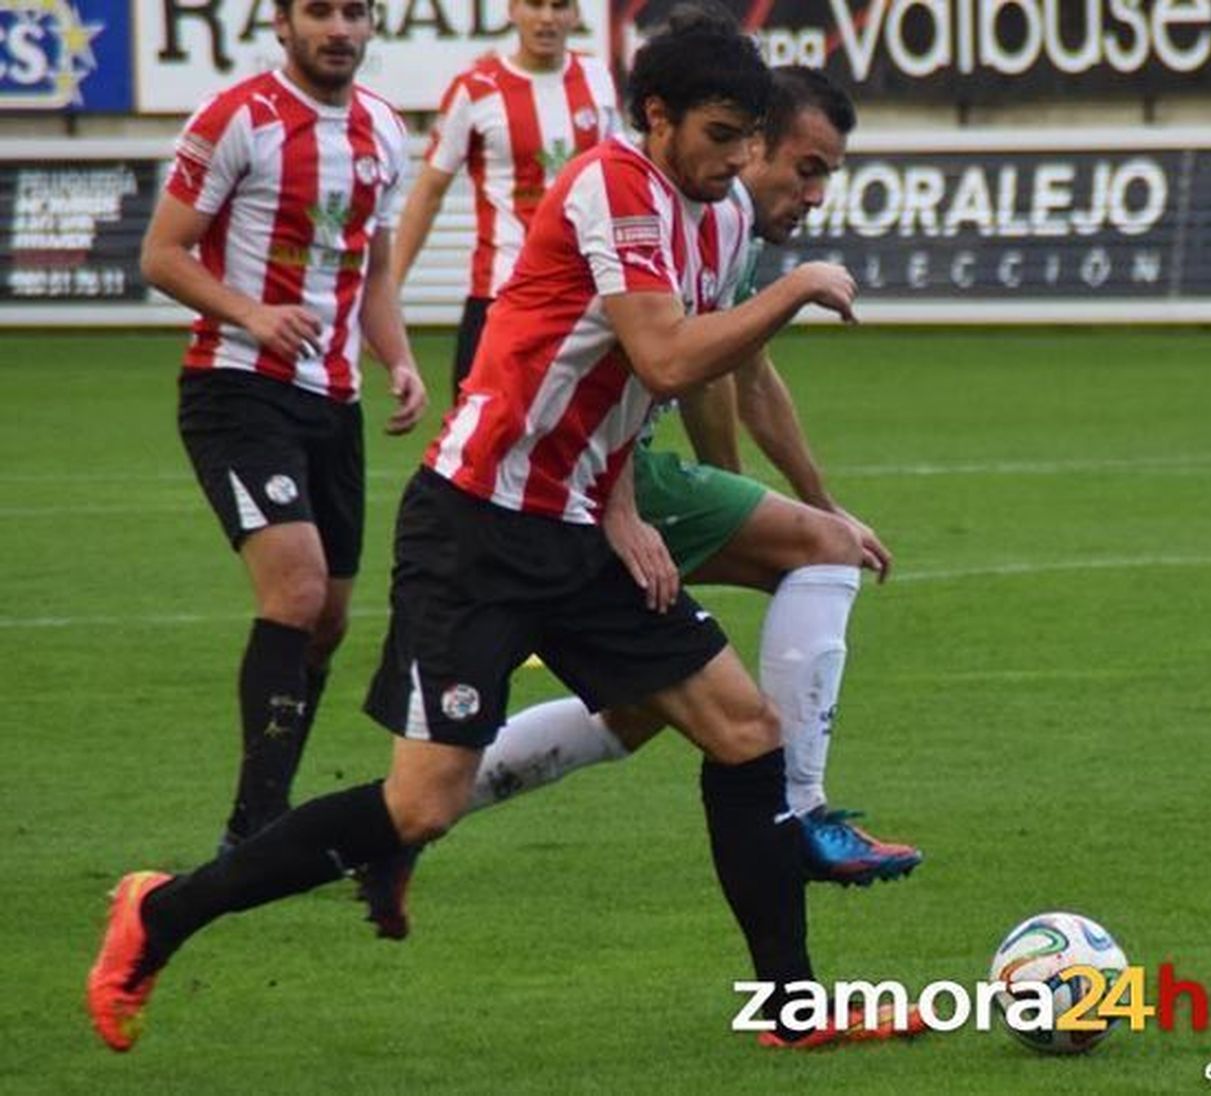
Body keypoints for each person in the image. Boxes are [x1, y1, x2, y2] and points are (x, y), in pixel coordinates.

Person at [89, 18, 918, 1053]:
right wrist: (798, 288)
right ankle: (159, 914)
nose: (736, 160)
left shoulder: (712, 219)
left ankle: (794, 1011)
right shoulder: (610, 186)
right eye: (718, 134)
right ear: (657, 117)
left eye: (749, 139)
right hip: (478, 528)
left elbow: (630, 389)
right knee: (422, 803)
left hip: (577, 526)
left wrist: (619, 504)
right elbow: (662, 357)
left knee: (747, 734)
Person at [361, 67, 919, 941]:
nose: (811, 193)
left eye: (827, 176)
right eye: (803, 167)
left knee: (637, 716)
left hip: (604, 472)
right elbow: (678, 363)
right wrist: (741, 500)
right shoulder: (660, 200)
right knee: (820, 556)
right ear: (751, 139)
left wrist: (811, 495)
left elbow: (744, 368)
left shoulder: (725, 223)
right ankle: (804, 810)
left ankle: (399, 830)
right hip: (579, 478)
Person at [138, 0, 427, 852]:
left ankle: (262, 813)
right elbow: (161, 253)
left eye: (354, 13)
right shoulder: (238, 119)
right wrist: (252, 314)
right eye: (318, 12)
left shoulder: (383, 130)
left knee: (329, 618)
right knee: (296, 592)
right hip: (236, 389)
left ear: (372, 25)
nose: (337, 29)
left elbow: (371, 275)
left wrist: (398, 359)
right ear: (281, 23)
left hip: (332, 402)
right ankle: (257, 824)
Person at [392, 0, 621, 400]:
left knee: (587, 444)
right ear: (513, 9)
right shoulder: (476, 88)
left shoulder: (597, 78)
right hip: (501, 294)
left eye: (559, 6)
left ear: (574, 14)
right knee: (474, 441)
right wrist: (388, 288)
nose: (547, 18)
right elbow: (428, 191)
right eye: (535, 4)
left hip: (586, 294)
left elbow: (618, 181)